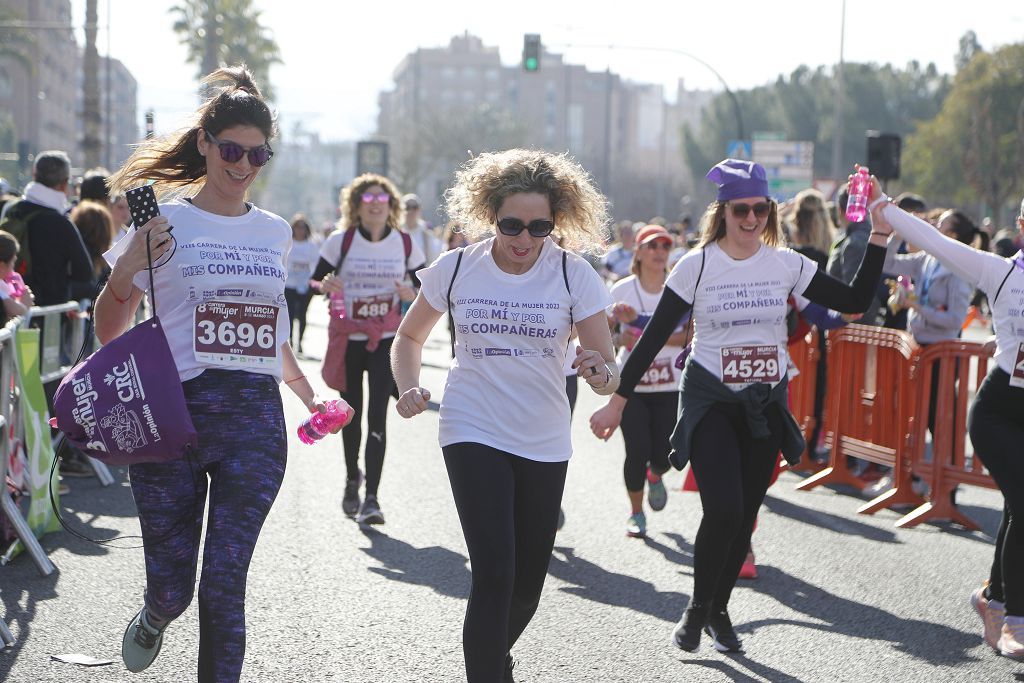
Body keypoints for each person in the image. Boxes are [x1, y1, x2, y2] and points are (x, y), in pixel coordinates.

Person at [589, 159, 887, 654]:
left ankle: (717, 609)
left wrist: (877, 235)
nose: (750, 219)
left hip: (765, 403)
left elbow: (855, 298)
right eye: (741, 210)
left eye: (759, 209)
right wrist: (618, 403)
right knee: (723, 509)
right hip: (710, 401)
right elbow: (654, 338)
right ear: (723, 212)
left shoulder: (786, 262)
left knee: (745, 514)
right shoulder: (697, 265)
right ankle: (696, 608)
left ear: (769, 211)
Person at [98, 65, 326, 682]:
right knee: (174, 588)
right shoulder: (161, 226)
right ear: (204, 143)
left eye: (259, 154)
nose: (244, 164)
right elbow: (108, 327)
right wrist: (126, 273)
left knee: (225, 580)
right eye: (232, 150)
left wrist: (309, 396)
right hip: (170, 419)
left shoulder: (274, 233)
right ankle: (154, 614)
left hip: (253, 421)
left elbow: (268, 332)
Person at [391, 148, 617, 682]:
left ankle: (492, 653)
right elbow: (409, 336)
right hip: (472, 425)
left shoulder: (572, 275)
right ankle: (488, 670)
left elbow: (610, 369)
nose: (523, 238)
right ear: (490, 214)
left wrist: (598, 372)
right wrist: (408, 387)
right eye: (512, 223)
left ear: (555, 222)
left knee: (527, 587)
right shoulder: (457, 268)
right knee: (495, 571)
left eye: (539, 225)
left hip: (543, 436)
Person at [871, 187, 1024, 661]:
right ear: (1021, 227)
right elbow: (938, 244)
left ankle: (992, 599)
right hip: (998, 411)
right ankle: (1015, 619)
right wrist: (887, 210)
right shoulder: (1001, 273)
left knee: (1019, 505)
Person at [311, 174, 425, 523]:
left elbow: (426, 287)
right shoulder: (340, 241)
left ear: (391, 205)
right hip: (349, 337)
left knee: (377, 412)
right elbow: (315, 282)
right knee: (350, 414)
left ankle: (372, 497)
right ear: (356, 204)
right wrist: (325, 284)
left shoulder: (404, 244)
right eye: (368, 199)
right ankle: (351, 479)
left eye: (382, 200)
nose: (375, 205)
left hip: (386, 339)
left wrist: (412, 294)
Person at [608, 224, 688, 537]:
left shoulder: (678, 289)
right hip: (633, 388)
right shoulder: (621, 290)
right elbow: (606, 332)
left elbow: (687, 336)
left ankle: (656, 476)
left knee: (664, 454)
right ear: (638, 252)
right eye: (652, 246)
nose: (659, 252)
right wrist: (620, 336)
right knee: (636, 449)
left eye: (665, 246)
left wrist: (643, 336)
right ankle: (636, 512)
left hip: (671, 386)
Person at [283, 213, 319, 355]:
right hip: (289, 284)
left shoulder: (311, 246)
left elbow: (316, 265)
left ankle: (300, 342)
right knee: (290, 314)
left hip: (304, 286)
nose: (300, 230)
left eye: (303, 227)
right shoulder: (287, 243)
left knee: (303, 314)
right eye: (297, 227)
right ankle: (291, 341)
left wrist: (312, 281)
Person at [402, 193, 443, 265]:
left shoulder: (425, 232)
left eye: (414, 207)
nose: (411, 211)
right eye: (407, 207)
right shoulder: (396, 231)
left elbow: (433, 258)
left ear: (419, 209)